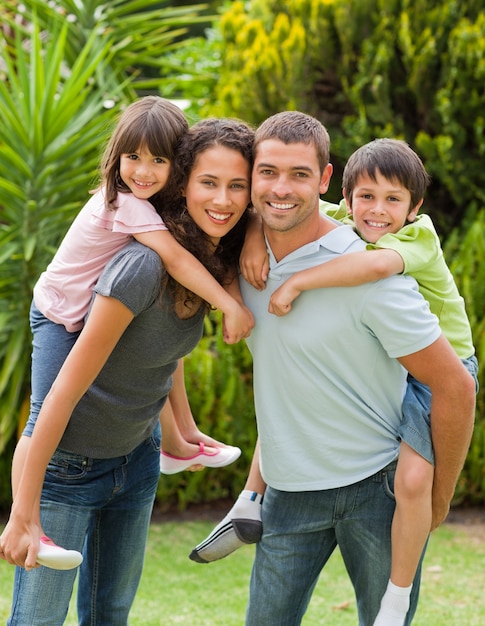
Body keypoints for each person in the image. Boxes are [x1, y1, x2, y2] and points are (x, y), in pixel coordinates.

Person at [193, 111, 476, 625]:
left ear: (324, 180)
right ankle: (248, 496)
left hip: (379, 489)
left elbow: (455, 383)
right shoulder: (238, 255)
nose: (282, 188)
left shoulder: (370, 267)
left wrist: (438, 497)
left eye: (300, 174)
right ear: (252, 176)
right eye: (268, 172)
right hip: (288, 492)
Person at [0, 117, 254, 625]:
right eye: (208, 182)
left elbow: (161, 356)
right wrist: (231, 305)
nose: (223, 199)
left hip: (136, 460)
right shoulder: (143, 256)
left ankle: (182, 444)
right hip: (68, 459)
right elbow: (63, 395)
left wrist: (175, 435)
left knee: (110, 614)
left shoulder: (202, 248)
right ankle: (22, 520)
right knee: (38, 621)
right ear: (186, 182)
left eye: (237, 186)